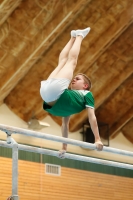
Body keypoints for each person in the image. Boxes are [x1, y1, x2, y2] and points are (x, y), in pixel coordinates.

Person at [40, 27, 103, 158]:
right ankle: (76, 37)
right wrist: (64, 147)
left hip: (50, 94)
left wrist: (97, 138)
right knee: (66, 62)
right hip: (49, 93)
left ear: (85, 86)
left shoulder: (86, 95)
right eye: (75, 78)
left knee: (69, 62)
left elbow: (91, 118)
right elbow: (66, 124)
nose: (74, 78)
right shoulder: (70, 97)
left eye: (78, 79)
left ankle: (76, 36)